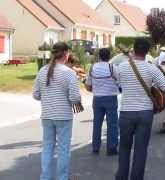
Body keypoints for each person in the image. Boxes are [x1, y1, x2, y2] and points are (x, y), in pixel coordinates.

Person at [115, 38, 165, 180]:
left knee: (124, 148)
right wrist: (152, 86)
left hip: (126, 112)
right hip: (145, 113)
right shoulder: (151, 68)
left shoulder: (121, 66)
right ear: (147, 52)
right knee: (141, 150)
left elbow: (117, 83)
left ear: (134, 49)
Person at [33, 42, 82, 180]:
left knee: (47, 148)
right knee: (63, 149)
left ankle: (45, 177)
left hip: (47, 115)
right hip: (64, 116)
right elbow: (74, 97)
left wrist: (49, 96)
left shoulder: (43, 70)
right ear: (66, 54)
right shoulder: (69, 73)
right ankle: (62, 177)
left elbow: (36, 94)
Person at [85, 48, 119, 156]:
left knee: (97, 123)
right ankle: (111, 148)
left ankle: (96, 147)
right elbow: (120, 82)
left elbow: (88, 85)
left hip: (97, 98)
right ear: (109, 56)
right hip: (111, 98)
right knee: (112, 124)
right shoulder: (112, 67)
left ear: (99, 56)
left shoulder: (92, 67)